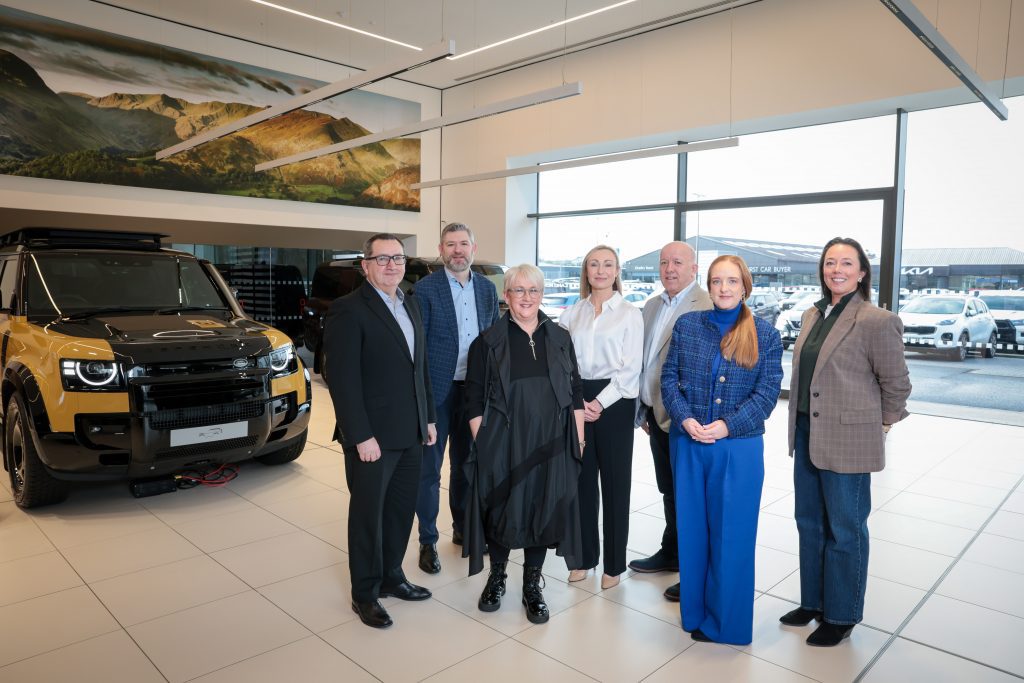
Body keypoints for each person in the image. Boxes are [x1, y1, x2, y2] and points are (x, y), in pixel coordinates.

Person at [781, 237, 911, 647]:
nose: (836, 270)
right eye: (830, 262)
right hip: (807, 431)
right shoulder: (812, 314)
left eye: (846, 263)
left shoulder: (876, 320)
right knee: (809, 522)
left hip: (849, 438)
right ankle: (814, 602)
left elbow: (897, 384)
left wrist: (882, 426)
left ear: (862, 272)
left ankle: (841, 615)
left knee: (845, 528)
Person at [662, 254, 783, 645]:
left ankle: (727, 625)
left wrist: (728, 425)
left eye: (732, 281)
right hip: (689, 442)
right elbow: (669, 379)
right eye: (717, 281)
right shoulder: (688, 325)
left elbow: (767, 394)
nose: (724, 288)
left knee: (731, 538)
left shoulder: (764, 334)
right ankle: (696, 613)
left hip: (737, 449)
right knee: (692, 533)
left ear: (745, 286)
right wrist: (685, 419)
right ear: (708, 286)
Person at [324, 233, 437, 630]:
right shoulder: (348, 310)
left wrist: (428, 417)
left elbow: (420, 367)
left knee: (400, 512)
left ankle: (392, 576)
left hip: (410, 432)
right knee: (368, 517)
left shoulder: (410, 303)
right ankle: (365, 593)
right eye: (383, 258)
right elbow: (341, 379)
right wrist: (360, 435)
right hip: (372, 438)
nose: (392, 265)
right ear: (366, 265)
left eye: (398, 258)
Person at [463, 264, 586, 624]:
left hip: (552, 441)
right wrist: (486, 444)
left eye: (533, 290)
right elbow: (472, 399)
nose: (526, 297)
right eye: (518, 290)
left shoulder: (560, 337)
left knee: (542, 509)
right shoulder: (487, 342)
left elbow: (575, 389)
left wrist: (578, 439)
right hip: (503, 443)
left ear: (542, 294)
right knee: (502, 509)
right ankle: (497, 577)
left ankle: (532, 584)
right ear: (507, 295)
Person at [412, 222, 500, 574]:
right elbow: (418, 350)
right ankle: (427, 541)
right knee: (429, 471)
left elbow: (494, 342)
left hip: (474, 391)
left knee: (466, 465)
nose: (458, 250)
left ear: (473, 248)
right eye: (451, 244)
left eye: (463, 243)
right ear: (441, 250)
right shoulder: (425, 289)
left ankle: (463, 529)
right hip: (438, 391)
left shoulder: (487, 290)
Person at [630, 242, 712, 604]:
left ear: (694, 268)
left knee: (690, 495)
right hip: (656, 415)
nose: (669, 268)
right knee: (670, 490)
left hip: (687, 418)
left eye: (678, 262)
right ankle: (672, 552)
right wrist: (644, 408)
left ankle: (694, 570)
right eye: (664, 262)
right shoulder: (652, 305)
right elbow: (644, 361)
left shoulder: (706, 305)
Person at [559, 245, 643, 589]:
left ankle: (614, 565)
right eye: (594, 264)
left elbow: (631, 370)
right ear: (586, 271)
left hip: (616, 402)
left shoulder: (630, 314)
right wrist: (579, 401)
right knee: (581, 483)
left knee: (615, 484)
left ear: (617, 271)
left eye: (608, 264)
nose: (600, 270)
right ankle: (583, 558)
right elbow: (561, 361)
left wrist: (600, 402)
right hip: (577, 399)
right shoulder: (571, 313)